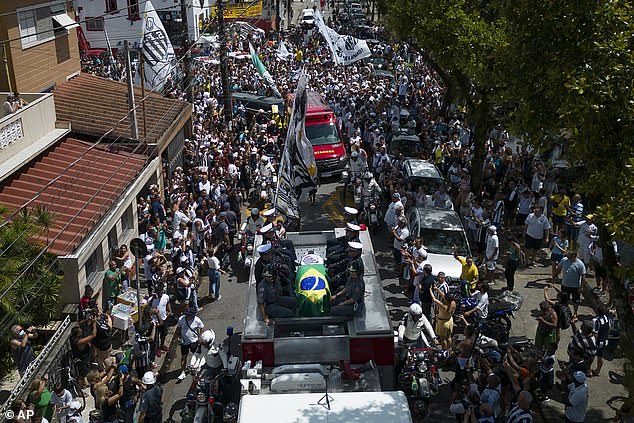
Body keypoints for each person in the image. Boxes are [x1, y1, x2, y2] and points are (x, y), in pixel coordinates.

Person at [175, 307, 204, 381]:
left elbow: (201, 327)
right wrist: (178, 337)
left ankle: (197, 368)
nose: (187, 316)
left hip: (194, 341)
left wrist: (200, 338)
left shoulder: (197, 320)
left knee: (196, 356)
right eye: (186, 314)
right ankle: (183, 371)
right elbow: (178, 328)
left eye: (189, 315)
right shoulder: (181, 319)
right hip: (184, 342)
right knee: (183, 357)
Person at [557, 250, 587, 317]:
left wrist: (581, 287)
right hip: (565, 284)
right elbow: (559, 268)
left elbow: (583, 276)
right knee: (564, 300)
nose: (567, 256)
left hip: (575, 286)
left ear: (574, 256)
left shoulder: (580, 264)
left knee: (575, 301)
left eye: (569, 255)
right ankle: (566, 312)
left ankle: (575, 313)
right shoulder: (564, 260)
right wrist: (555, 276)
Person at [150, 284, 171, 357]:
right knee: (155, 337)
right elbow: (147, 311)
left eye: (162, 291)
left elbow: (168, 309)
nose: (161, 293)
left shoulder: (166, 297)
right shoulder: (151, 300)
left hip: (163, 320)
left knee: (164, 334)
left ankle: (162, 345)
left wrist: (167, 315)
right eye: (159, 292)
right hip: (154, 321)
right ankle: (157, 349)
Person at [592, 304, 611, 376]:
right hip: (604, 341)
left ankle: (588, 370)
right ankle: (598, 370)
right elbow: (609, 328)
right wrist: (605, 336)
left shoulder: (595, 320)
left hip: (597, 342)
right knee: (600, 356)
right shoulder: (607, 318)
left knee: (591, 355)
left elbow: (595, 333)